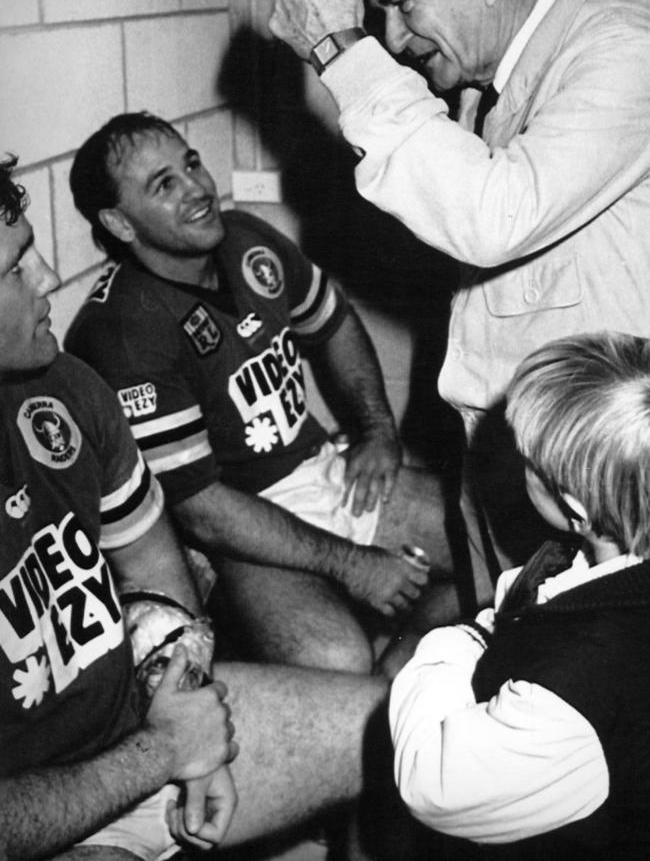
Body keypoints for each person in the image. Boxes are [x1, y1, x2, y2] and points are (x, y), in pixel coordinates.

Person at [0, 153, 399, 861]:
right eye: (13, 268)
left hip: (143, 725)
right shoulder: (121, 331)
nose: (46, 279)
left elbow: (149, 563)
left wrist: (181, 696)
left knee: (405, 733)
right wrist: (165, 752)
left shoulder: (62, 388)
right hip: (55, 805)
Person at [268, 0, 650, 600]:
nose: (397, 38)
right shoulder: (488, 86)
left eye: (404, 3)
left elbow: (492, 216)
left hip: (601, 489)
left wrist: (340, 50)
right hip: (510, 469)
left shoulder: (622, 53)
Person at [63, 111, 461, 676]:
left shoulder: (245, 239)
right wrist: (354, 565)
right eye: (164, 184)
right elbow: (205, 512)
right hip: (241, 525)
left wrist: (376, 430)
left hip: (319, 470)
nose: (197, 189)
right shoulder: (123, 333)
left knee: (479, 539)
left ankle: (397, 684)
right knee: (335, 660)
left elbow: (334, 322)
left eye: (191, 164)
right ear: (120, 223)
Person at [389, 331, 650, 859]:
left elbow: (431, 780)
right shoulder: (589, 556)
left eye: (530, 461)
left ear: (576, 506)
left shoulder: (573, 694)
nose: (518, 466)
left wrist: (461, 639)